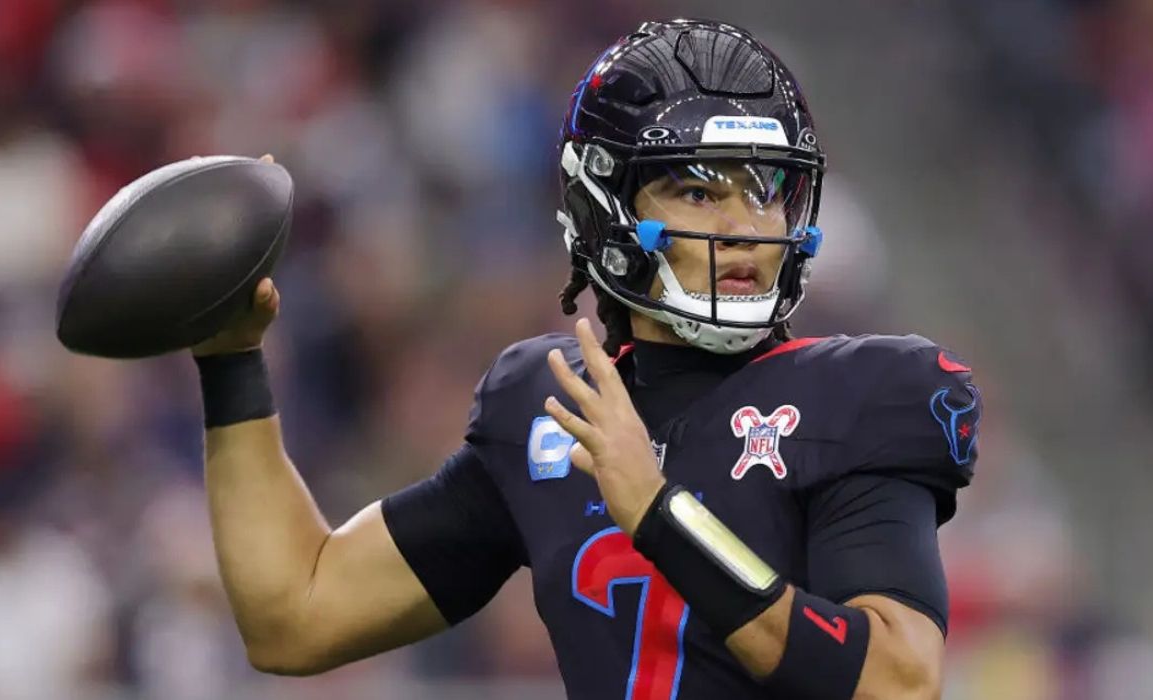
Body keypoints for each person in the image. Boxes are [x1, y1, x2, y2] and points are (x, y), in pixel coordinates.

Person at [191, 18, 979, 700]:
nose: (746, 226)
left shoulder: (858, 396)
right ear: (604, 209)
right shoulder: (551, 410)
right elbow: (296, 616)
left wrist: (662, 515)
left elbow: (898, 680)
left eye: (766, 190)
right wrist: (231, 365)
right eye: (700, 192)